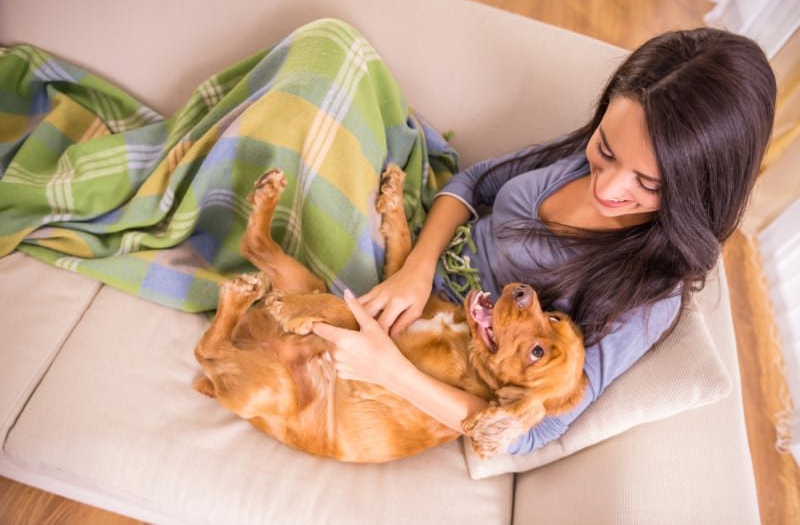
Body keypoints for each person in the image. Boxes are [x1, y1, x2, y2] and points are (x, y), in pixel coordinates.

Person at [314, 26, 777, 454]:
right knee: (334, 48)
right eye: (606, 149)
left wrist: (388, 372)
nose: (608, 188)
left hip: (426, 342)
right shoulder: (578, 159)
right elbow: (475, 182)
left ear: (698, 193)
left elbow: (534, 428)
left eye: (648, 184)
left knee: (308, 178)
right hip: (409, 260)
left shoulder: (648, 297)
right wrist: (417, 268)